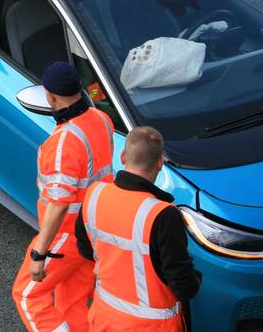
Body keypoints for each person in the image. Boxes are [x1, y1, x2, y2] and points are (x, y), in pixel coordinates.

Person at [12, 62, 115, 332]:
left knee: (27, 295)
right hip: (93, 229)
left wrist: (39, 252)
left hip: (65, 236)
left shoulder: (63, 142)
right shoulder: (102, 121)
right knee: (72, 303)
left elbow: (59, 204)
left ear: (51, 97)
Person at [76, 126, 201, 331]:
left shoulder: (94, 195)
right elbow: (183, 286)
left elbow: (85, 249)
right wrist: (196, 279)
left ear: (123, 156)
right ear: (160, 163)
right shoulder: (162, 215)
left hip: (105, 318)